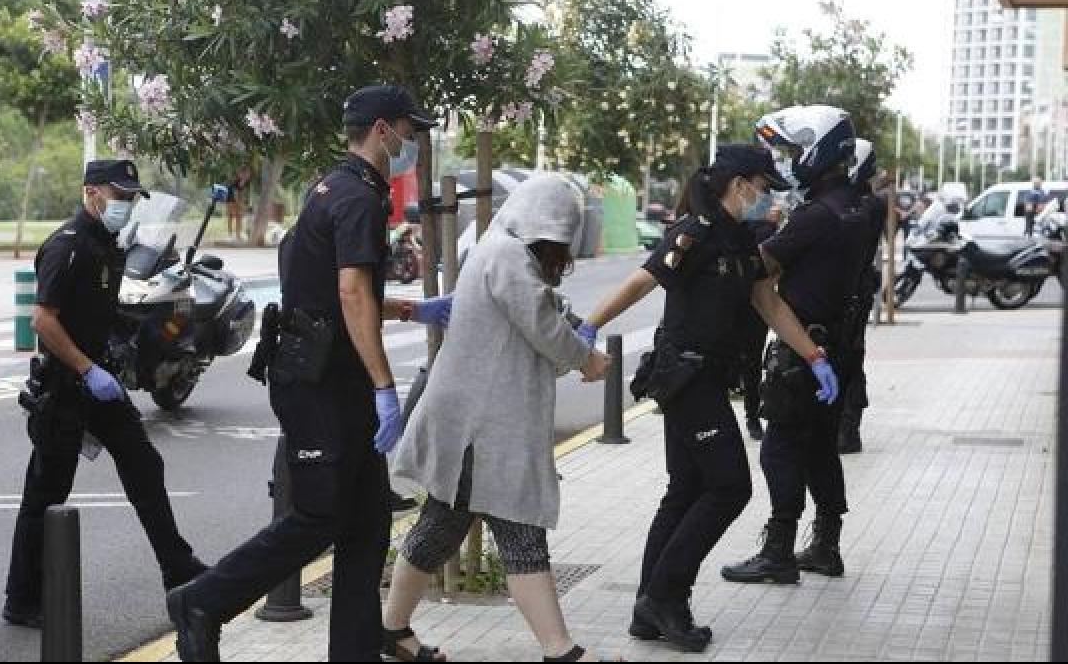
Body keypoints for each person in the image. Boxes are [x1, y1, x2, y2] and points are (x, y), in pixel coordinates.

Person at [167, 85, 451, 663]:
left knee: (366, 526)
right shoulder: (358, 199)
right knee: (319, 516)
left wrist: (412, 310)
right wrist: (384, 386)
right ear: (382, 130)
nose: (414, 143)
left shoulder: (334, 188)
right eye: (410, 131)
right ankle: (203, 601)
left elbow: (336, 290)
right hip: (319, 383)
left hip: (328, 374)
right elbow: (348, 291)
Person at [580, 145, 840, 653]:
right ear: (739, 183)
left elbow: (768, 301)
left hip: (710, 375)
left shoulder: (743, 238)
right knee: (729, 487)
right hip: (686, 375)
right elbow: (643, 280)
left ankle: (647, 608)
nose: (766, 198)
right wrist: (590, 325)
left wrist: (813, 355)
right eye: (762, 187)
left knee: (685, 490)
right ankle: (667, 596)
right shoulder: (695, 232)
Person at [382, 175, 612, 664]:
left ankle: (390, 630)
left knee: (438, 530)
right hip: (480, 431)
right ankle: (560, 651)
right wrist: (585, 358)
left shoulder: (499, 248)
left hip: (477, 426)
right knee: (520, 527)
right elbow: (541, 324)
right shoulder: (506, 255)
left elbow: (538, 313)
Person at [4, 160, 207, 628]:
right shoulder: (67, 246)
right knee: (47, 493)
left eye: (132, 197)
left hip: (100, 382)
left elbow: (100, 310)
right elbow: (44, 320)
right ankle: (23, 598)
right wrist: (86, 368)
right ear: (91, 193)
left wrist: (159, 295)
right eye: (119, 196)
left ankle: (177, 566)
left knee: (144, 465)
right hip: (66, 385)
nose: (126, 204)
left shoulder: (106, 245)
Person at [723, 105, 868, 587]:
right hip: (840, 349)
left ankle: (779, 550)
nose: (786, 162)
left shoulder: (815, 217)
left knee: (780, 449)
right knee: (821, 448)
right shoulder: (858, 206)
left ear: (816, 149)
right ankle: (827, 545)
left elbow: (759, 267)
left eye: (792, 150)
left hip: (804, 349)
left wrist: (732, 235)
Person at [837, 140, 888, 455]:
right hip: (854, 288)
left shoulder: (867, 205)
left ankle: (847, 428)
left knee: (850, 357)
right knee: (847, 356)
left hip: (855, 291)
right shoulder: (864, 202)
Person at [736, 202, 783, 442]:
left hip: (735, 304)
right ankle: (752, 416)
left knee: (745, 361)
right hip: (755, 307)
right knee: (752, 362)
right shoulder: (769, 231)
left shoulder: (732, 229)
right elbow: (776, 270)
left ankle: (751, 415)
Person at [225, 168, 253, 239]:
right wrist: (242, 206)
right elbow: (236, 195)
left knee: (239, 217)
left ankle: (238, 235)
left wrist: (245, 204)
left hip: (237, 200)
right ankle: (230, 235)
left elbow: (244, 194)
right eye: (245, 173)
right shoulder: (235, 183)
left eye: (248, 173)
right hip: (230, 200)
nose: (247, 175)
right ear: (240, 174)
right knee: (231, 217)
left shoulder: (247, 183)